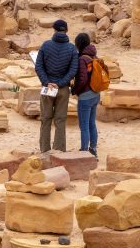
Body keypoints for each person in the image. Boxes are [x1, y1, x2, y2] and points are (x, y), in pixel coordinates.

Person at [34, 19, 78, 153]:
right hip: (62, 89)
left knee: (45, 119)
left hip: (48, 88)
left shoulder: (46, 45)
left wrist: (47, 82)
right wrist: (60, 83)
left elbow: (38, 66)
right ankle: (59, 151)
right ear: (66, 30)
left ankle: (44, 150)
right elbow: (73, 70)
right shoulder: (72, 48)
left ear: (54, 30)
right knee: (60, 121)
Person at [71, 32, 100, 157]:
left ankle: (84, 153)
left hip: (85, 96)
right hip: (96, 94)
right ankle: (93, 150)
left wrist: (75, 90)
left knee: (84, 126)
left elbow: (82, 80)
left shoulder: (82, 59)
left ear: (78, 44)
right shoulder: (94, 56)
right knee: (92, 123)